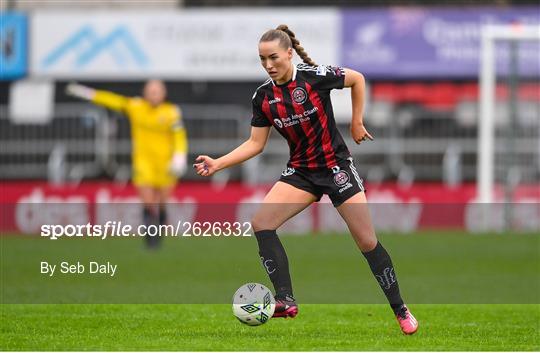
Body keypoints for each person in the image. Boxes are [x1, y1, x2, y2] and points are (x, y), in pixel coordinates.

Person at [194, 25, 418, 334]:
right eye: (262, 60)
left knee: (366, 241)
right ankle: (285, 299)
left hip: (336, 168)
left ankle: (400, 309)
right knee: (261, 223)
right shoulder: (263, 97)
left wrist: (356, 122)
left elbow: (357, 79)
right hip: (301, 172)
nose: (269, 65)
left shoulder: (314, 76)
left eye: (273, 57)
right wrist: (218, 163)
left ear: (288, 54)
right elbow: (255, 144)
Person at [66, 79, 188, 249]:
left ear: (163, 94)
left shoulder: (171, 112)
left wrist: (179, 156)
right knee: (148, 202)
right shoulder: (136, 107)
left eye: (157, 91)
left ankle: (159, 233)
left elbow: (179, 135)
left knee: (161, 203)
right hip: (143, 163)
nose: (154, 95)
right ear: (145, 93)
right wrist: (88, 93)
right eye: (151, 91)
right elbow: (113, 100)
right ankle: (150, 239)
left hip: (165, 164)